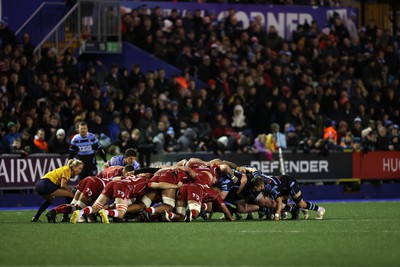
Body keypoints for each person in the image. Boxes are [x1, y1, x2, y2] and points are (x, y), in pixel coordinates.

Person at [250, 173, 326, 220]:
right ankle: (300, 210)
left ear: (260, 186)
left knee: (301, 204)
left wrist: (276, 215)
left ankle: (320, 209)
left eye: (255, 188)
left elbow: (279, 201)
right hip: (282, 187)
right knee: (283, 207)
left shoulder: (271, 188)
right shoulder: (259, 179)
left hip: (290, 183)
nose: (253, 190)